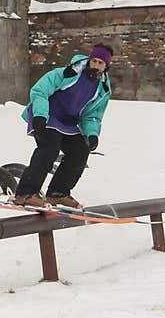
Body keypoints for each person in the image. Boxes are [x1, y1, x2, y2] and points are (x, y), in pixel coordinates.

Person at [13, 44, 114, 209]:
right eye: (93, 61)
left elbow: (92, 116)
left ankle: (58, 193)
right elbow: (40, 91)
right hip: (46, 115)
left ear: (106, 66)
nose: (95, 65)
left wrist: (92, 134)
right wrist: (39, 115)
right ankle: (25, 193)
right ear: (89, 60)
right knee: (49, 149)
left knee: (80, 150)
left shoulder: (102, 90)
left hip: (68, 123)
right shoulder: (66, 73)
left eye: (100, 63)